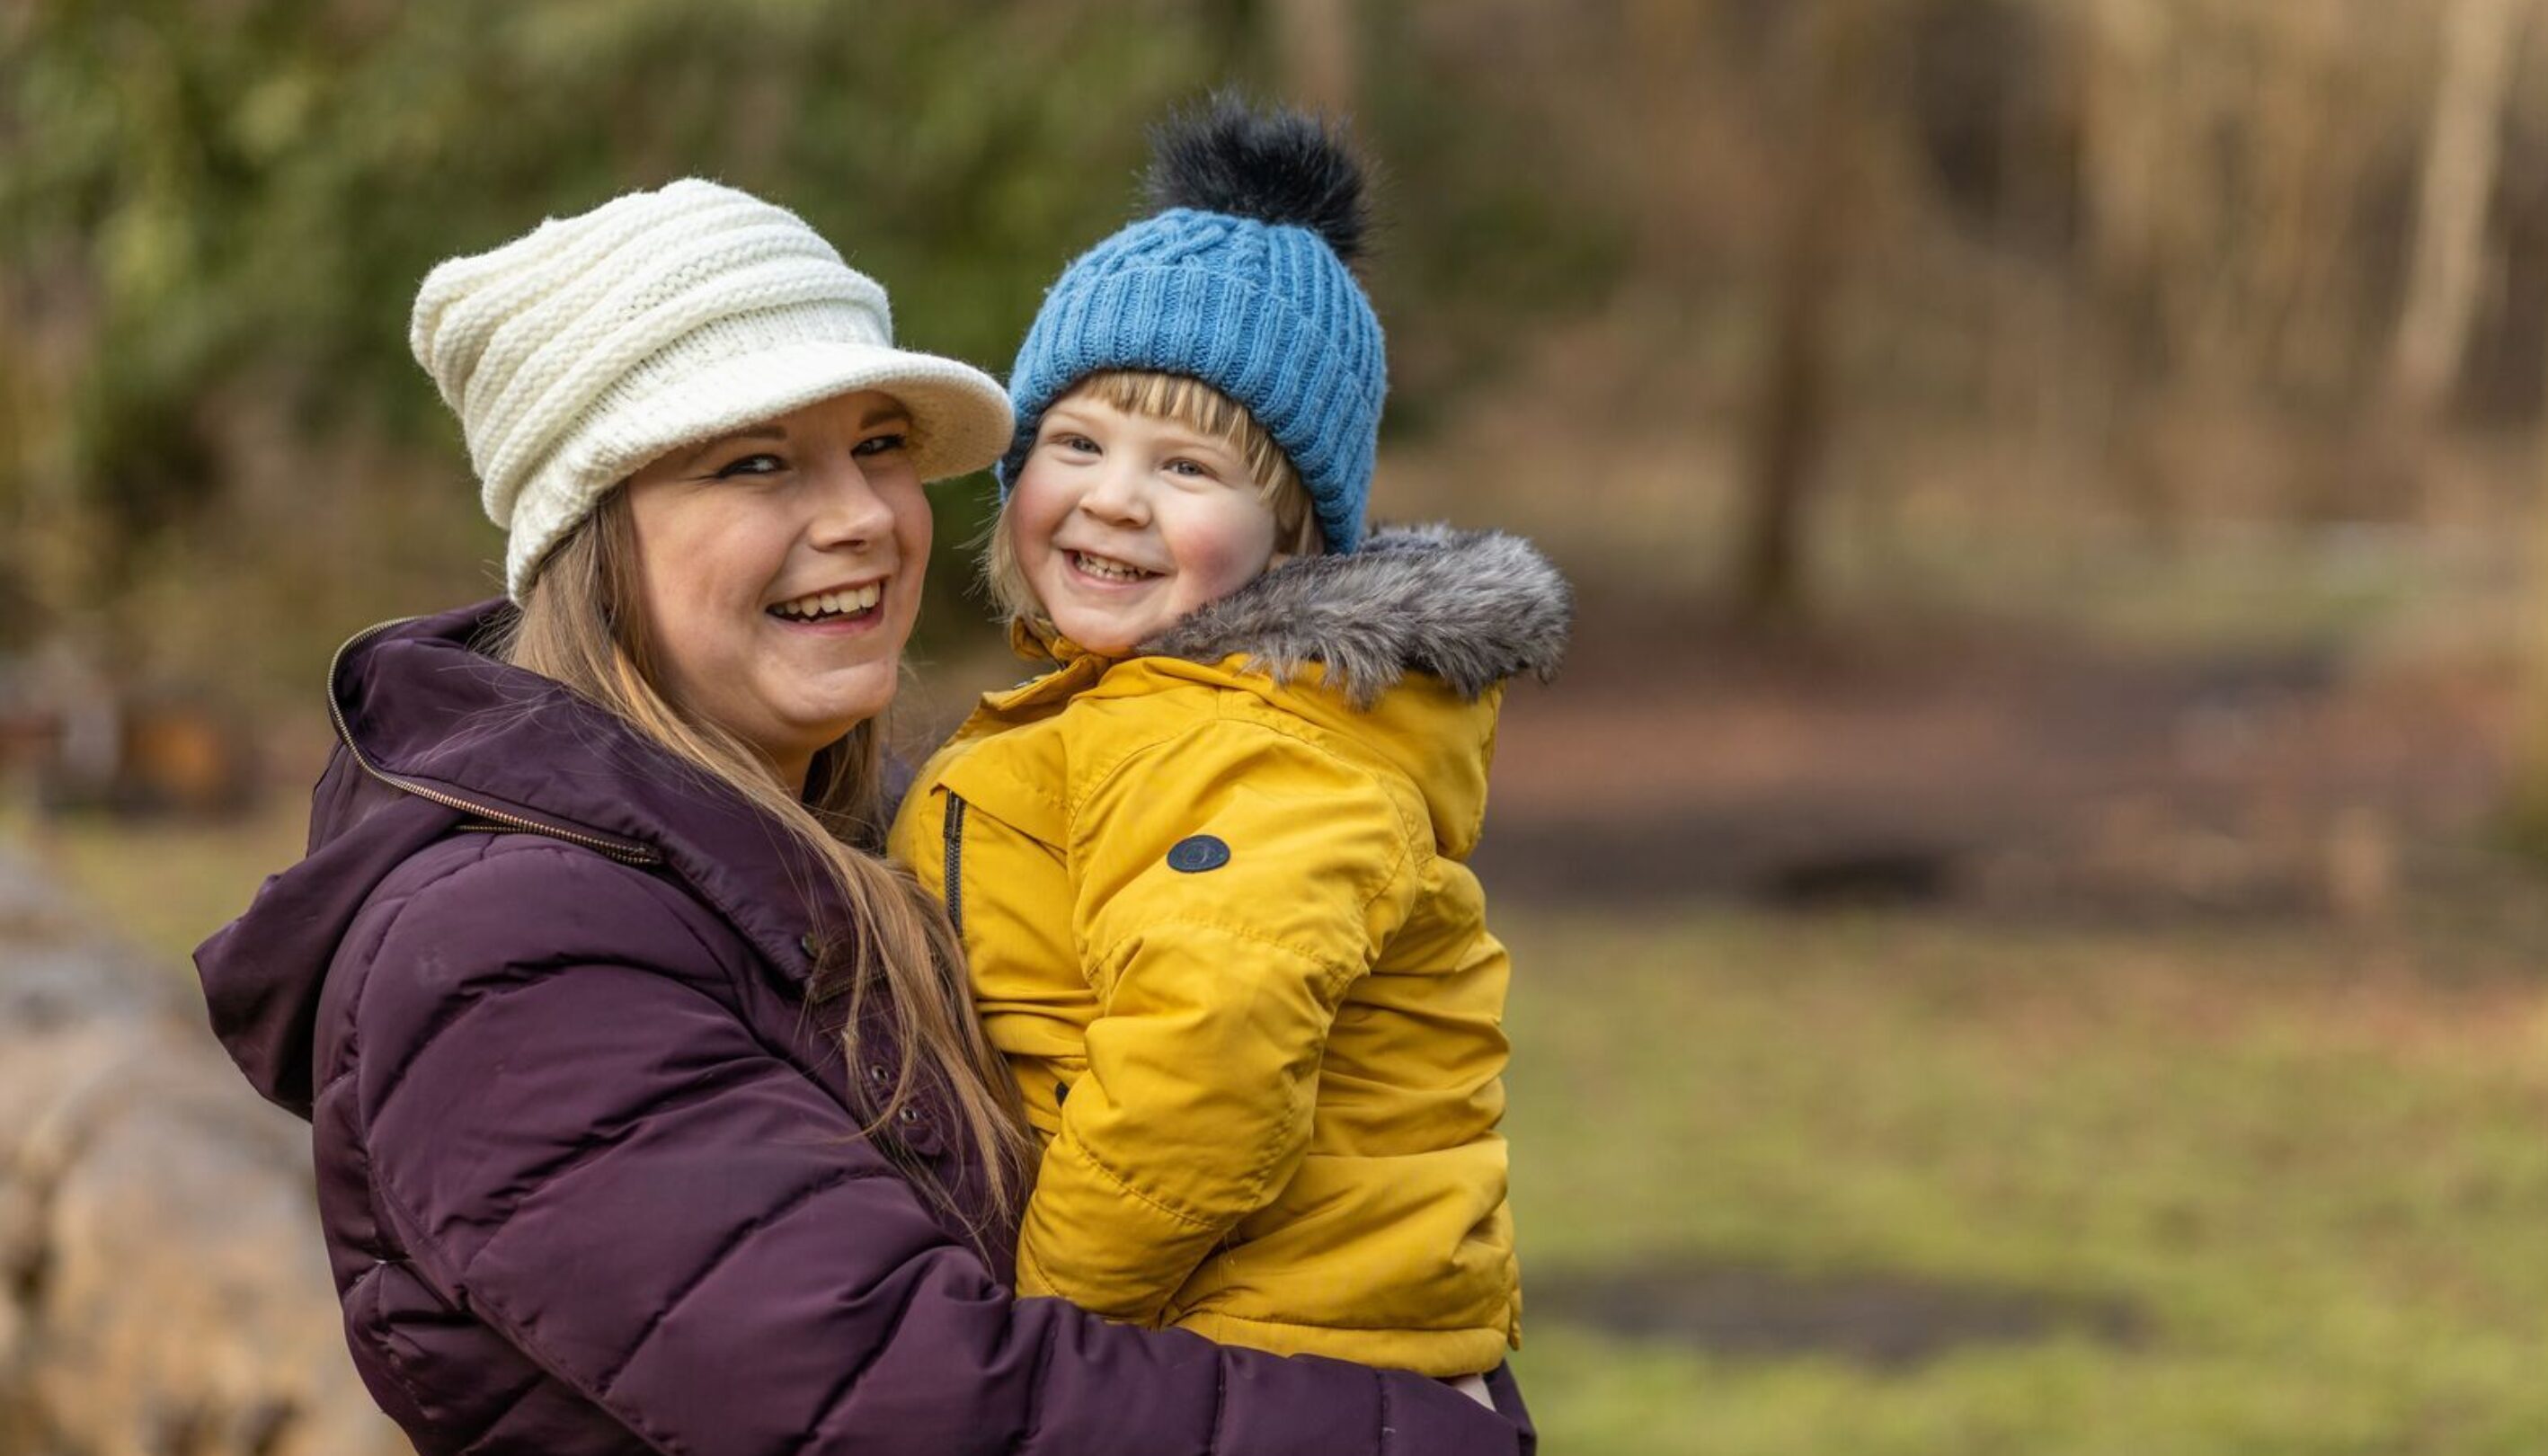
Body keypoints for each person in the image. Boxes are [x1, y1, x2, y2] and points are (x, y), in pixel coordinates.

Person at [193, 178, 1525, 1454]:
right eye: (757, 463)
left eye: (878, 448)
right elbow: (904, 1402)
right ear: (595, 538)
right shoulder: (507, 952)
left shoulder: (860, 840)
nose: (861, 519)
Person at [887, 100, 1567, 1404]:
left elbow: (1203, 1078)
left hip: (1289, 1365)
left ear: (1293, 534)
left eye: (1189, 466)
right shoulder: (1116, 713)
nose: (1114, 496)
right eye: (1076, 443)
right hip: (1214, 1349)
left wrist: (1029, 1340)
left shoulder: (1268, 752)